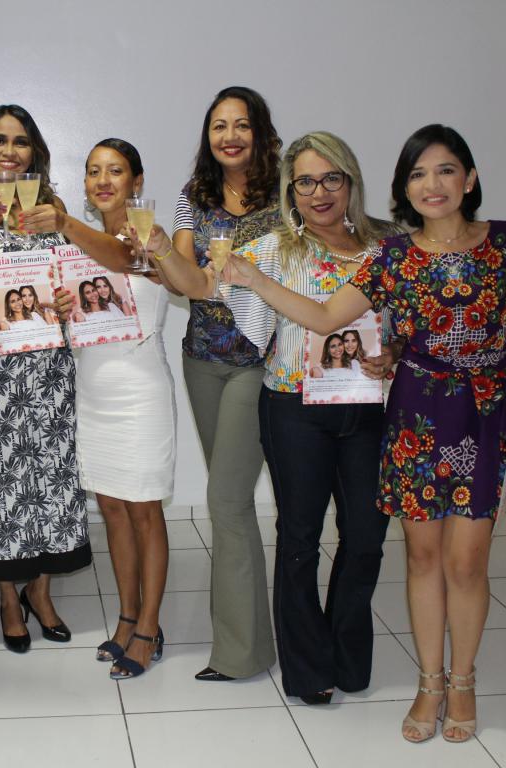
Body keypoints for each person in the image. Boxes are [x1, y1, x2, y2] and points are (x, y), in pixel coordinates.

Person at [224, 124, 506, 741]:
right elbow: (325, 316)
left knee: (467, 562)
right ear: (404, 188)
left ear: (469, 179)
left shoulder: (505, 242)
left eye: (445, 170)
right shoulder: (393, 255)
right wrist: (255, 279)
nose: (432, 184)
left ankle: (463, 681)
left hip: (486, 415)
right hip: (417, 416)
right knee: (421, 556)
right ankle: (430, 683)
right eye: (418, 174)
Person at [223, 131, 401, 706]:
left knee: (366, 540)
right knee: (299, 539)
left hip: (367, 409)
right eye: (305, 181)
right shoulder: (274, 248)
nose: (319, 192)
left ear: (351, 182)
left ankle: (347, 653)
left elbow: (405, 326)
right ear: (290, 190)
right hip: (293, 409)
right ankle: (308, 667)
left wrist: (393, 354)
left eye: (331, 179)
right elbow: (202, 282)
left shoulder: (388, 247)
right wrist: (159, 252)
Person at [19, 138, 176, 679]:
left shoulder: (149, 236)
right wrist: (60, 308)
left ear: (137, 180)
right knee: (111, 508)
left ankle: (150, 627)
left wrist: (64, 222)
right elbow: (82, 314)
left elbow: (123, 258)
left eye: (115, 170)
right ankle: (128, 617)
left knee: (144, 510)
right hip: (93, 388)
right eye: (93, 171)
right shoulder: (72, 249)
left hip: (141, 390)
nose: (103, 180)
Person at [145, 85, 282, 682]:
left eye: (241, 125)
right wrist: (159, 250)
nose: (230, 136)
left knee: (225, 501)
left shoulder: (286, 198)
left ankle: (238, 653)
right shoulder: (193, 197)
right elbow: (186, 283)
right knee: (234, 504)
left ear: (260, 133)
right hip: (202, 360)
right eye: (219, 126)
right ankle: (253, 640)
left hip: (261, 363)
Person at [0, 105, 87, 653]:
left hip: (49, 364)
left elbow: (66, 277)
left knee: (52, 478)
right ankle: (9, 597)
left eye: (20, 141)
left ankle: (41, 590)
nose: (9, 151)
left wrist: (65, 300)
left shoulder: (51, 209)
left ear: (35, 153)